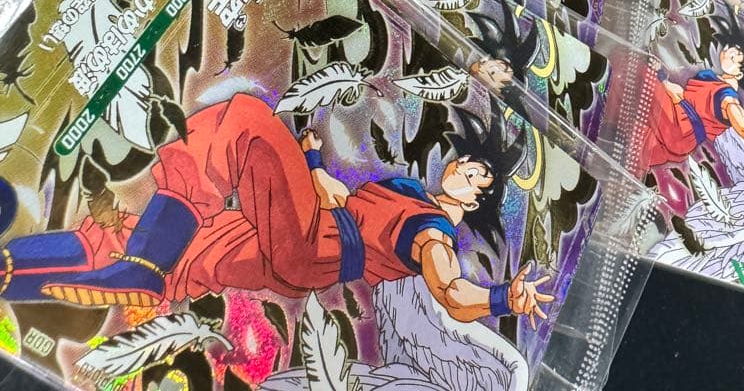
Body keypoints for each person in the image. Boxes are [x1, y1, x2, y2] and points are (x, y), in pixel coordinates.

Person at [0, 95, 552, 329]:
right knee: (154, 243)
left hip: (314, 248)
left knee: (241, 122)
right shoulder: (410, 191)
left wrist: (504, 299)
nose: (461, 169)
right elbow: (342, 199)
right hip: (294, 240)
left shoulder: (433, 234)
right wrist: (312, 160)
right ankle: (11, 270)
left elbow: (452, 293)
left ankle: (142, 268)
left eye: (475, 177)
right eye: (467, 163)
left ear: (473, 202)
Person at [642, 12, 744, 170]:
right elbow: (679, 94)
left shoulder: (727, 98)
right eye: (728, 50)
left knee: (636, 69)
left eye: (734, 57)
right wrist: (660, 76)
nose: (726, 52)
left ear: (739, 74)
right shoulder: (710, 81)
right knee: (634, 152)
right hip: (679, 132)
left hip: (681, 128)